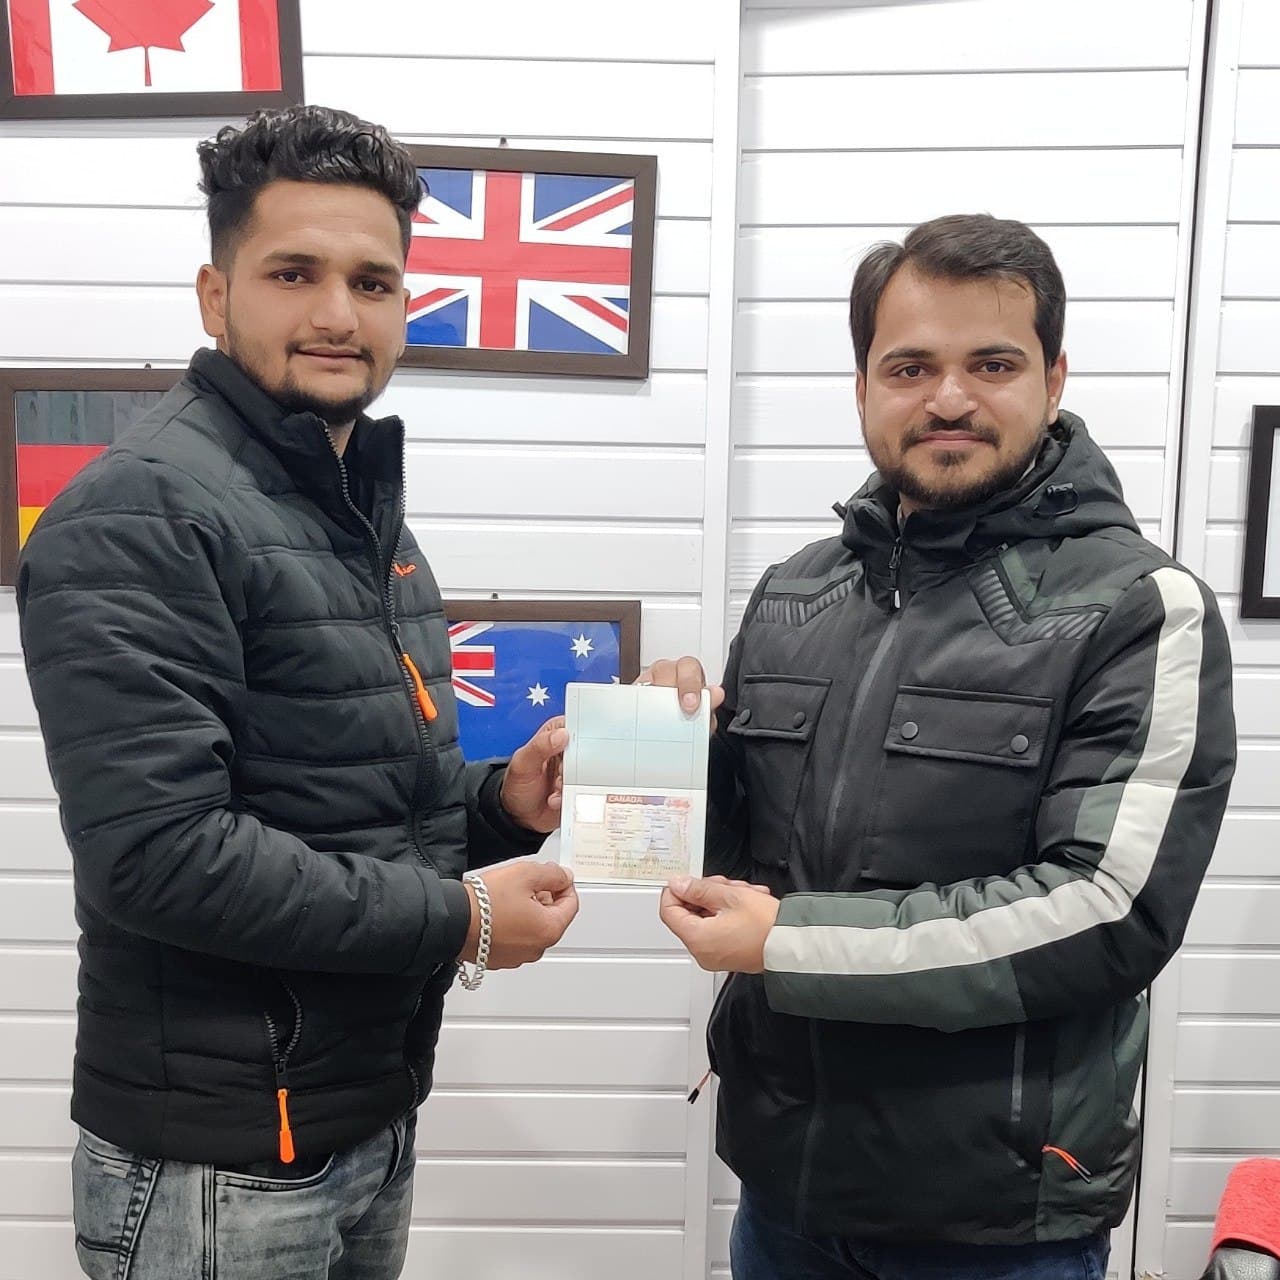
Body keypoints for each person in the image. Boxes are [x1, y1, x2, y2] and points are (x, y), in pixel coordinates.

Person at [17, 105, 590, 1280]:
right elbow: (160, 855)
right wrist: (465, 918)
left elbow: (347, 803)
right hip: (219, 1168)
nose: (338, 313)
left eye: (372, 282)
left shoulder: (351, 507)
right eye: (294, 273)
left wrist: (500, 804)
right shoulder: (142, 510)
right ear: (214, 295)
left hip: (356, 1117)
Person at [657, 214, 1237, 1280]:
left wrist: (790, 941)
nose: (950, 398)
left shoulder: (1139, 607)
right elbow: (744, 856)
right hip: (782, 1192)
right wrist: (662, 759)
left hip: (996, 1218)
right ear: (862, 388)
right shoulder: (794, 592)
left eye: (993, 364)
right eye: (910, 366)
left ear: (1054, 380)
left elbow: (1106, 910)